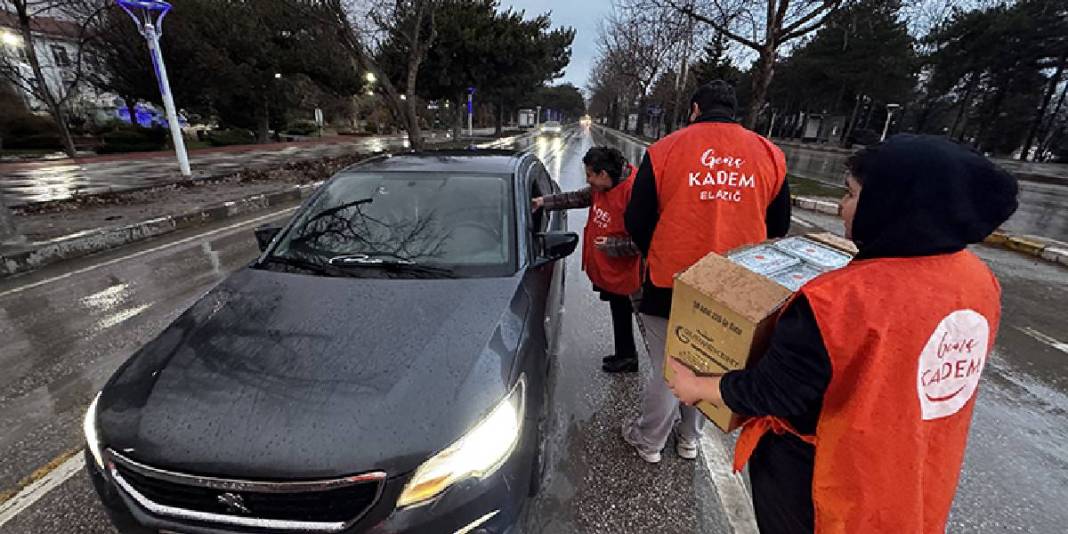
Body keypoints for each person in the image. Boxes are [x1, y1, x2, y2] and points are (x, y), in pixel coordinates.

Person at [666, 134, 1019, 533]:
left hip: (827, 482)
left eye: (850, 194)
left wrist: (696, 386)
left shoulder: (838, 300)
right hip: (917, 472)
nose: (841, 206)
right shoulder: (977, 280)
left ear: (890, 204)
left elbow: (774, 391)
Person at [622, 80, 792, 464]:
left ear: (695, 109)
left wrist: (657, 251)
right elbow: (779, 225)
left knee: (669, 364)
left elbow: (636, 218)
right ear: (735, 111)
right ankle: (689, 439)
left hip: (672, 280)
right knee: (709, 363)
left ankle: (649, 441)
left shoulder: (665, 150)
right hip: (738, 286)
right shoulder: (769, 153)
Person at [533, 147, 643, 373]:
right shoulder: (602, 186)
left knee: (638, 317)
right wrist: (543, 201)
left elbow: (647, 238)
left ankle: (641, 365)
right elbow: (577, 198)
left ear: (604, 174)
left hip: (630, 269)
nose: (588, 180)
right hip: (613, 267)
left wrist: (613, 245)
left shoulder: (634, 192)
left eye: (590, 175)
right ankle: (626, 354)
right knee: (619, 308)